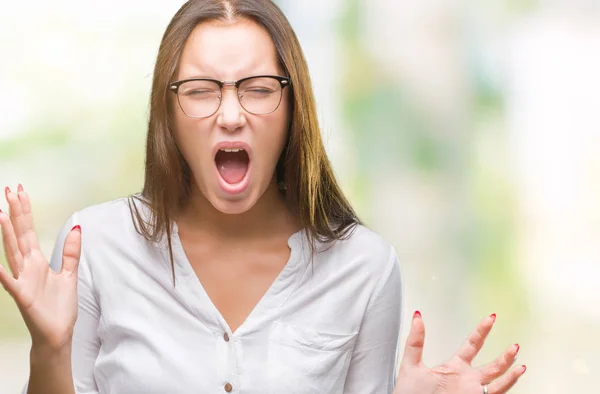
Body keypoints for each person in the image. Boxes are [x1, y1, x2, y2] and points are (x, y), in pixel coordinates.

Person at [0, 1, 526, 393]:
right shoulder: (94, 247)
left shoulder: (365, 267)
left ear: (293, 105)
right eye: (202, 90)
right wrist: (50, 348)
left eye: (257, 88)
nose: (231, 115)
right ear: (169, 112)